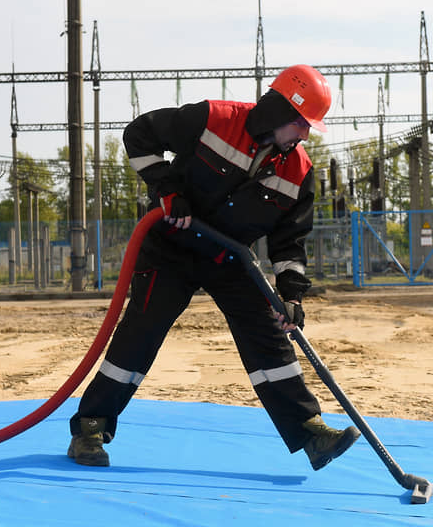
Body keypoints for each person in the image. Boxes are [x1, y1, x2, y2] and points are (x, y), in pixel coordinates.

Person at [68, 64, 360, 471]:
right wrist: (167, 188)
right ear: (277, 111)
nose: (305, 133)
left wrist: (292, 296)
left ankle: (310, 434)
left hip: (231, 259)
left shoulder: (299, 171)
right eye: (300, 122)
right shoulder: (215, 120)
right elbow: (139, 135)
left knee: (269, 340)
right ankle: (90, 429)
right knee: (140, 334)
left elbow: (288, 243)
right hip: (172, 248)